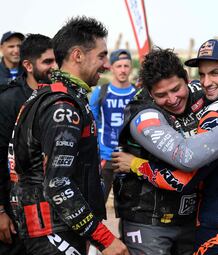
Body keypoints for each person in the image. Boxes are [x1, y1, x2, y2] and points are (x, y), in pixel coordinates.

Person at [112, 45, 218, 254]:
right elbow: (186, 157)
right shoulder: (143, 114)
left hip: (190, 217)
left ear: (186, 78)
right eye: (161, 94)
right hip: (149, 220)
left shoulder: (203, 90)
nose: (173, 99)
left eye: (176, 89)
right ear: (150, 93)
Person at [8, 17, 128, 255]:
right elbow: (57, 185)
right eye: (101, 56)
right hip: (53, 228)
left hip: (58, 226)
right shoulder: (63, 107)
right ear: (78, 55)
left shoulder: (53, 95)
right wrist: (105, 239)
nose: (106, 65)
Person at [0, 33, 56, 255]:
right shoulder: (8, 100)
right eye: (47, 62)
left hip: (52, 210)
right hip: (15, 212)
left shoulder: (59, 97)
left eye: (55, 61)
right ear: (28, 65)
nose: (54, 67)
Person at [89, 49, 136, 202]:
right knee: (97, 204)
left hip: (130, 157)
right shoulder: (101, 92)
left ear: (131, 68)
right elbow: (91, 122)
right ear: (112, 67)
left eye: (126, 66)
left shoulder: (138, 93)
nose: (123, 70)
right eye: (119, 66)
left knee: (130, 208)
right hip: (106, 156)